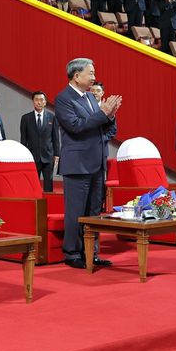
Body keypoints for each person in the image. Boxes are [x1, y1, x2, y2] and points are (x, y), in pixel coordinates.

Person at [55, 58, 120, 269]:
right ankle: (72, 253)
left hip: (97, 163)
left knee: (93, 212)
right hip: (77, 164)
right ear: (76, 76)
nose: (94, 77)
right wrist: (103, 113)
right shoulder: (64, 98)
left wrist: (110, 116)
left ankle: (91, 252)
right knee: (76, 212)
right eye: (90, 73)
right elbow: (76, 127)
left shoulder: (90, 97)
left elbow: (100, 127)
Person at [19, 91, 60, 192]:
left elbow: (55, 138)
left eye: (41, 100)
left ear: (45, 102)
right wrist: (24, 156)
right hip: (32, 156)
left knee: (48, 185)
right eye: (36, 100)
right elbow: (23, 140)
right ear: (33, 102)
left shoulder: (52, 117)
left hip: (48, 156)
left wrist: (57, 154)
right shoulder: (26, 118)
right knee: (33, 185)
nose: (39, 102)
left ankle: (48, 201)